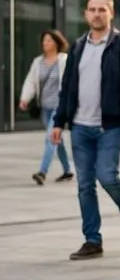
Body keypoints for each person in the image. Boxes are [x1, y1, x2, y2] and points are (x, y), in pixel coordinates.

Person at [51, 0, 120, 260]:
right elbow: (67, 87)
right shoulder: (78, 47)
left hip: (110, 126)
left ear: (111, 13)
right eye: (92, 9)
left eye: (102, 9)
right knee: (84, 185)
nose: (96, 14)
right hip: (80, 126)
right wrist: (58, 121)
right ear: (85, 14)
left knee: (107, 176)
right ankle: (92, 240)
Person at [18, 29, 74, 185]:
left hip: (59, 107)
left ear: (57, 43)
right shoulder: (38, 62)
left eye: (49, 40)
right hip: (45, 107)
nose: (45, 43)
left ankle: (42, 172)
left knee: (50, 137)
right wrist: (25, 98)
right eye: (44, 41)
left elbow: (70, 83)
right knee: (57, 138)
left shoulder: (64, 60)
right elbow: (30, 81)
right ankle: (67, 170)